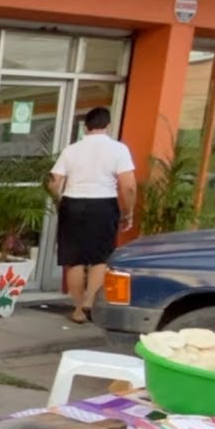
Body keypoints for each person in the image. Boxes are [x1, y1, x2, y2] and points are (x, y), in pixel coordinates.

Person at [47, 107, 137, 324]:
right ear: (108, 125)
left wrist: (60, 199)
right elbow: (128, 186)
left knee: (74, 259)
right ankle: (89, 301)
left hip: (73, 203)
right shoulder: (119, 149)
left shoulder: (72, 150)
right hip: (103, 205)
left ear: (85, 127)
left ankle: (78, 310)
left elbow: (53, 181)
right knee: (100, 258)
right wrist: (128, 212)